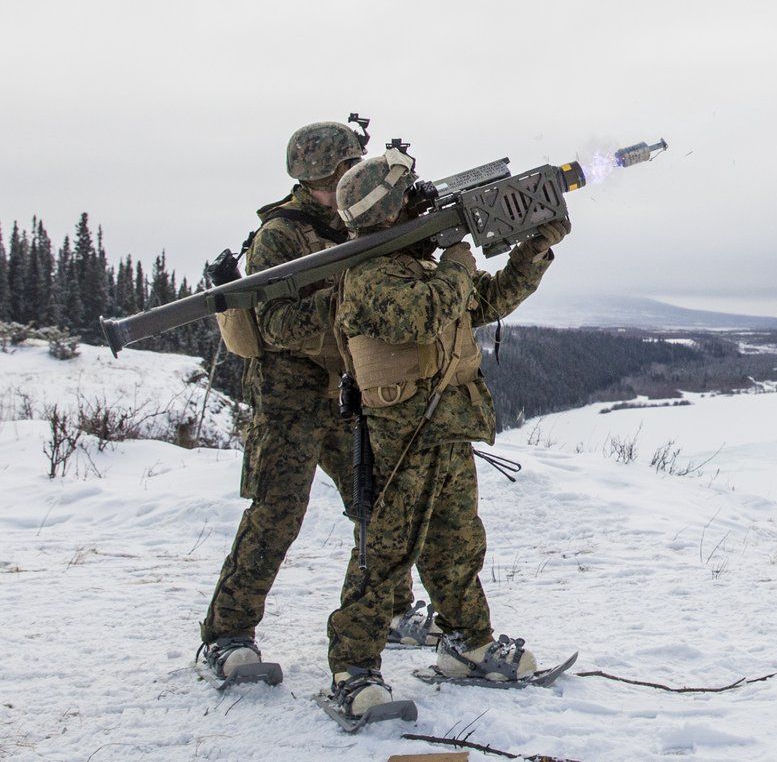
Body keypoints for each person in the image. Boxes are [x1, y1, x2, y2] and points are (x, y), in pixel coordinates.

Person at [323, 147, 568, 715]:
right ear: (388, 212)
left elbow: (487, 300)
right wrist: (460, 257)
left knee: (457, 543)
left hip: (446, 425)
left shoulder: (418, 268)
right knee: (385, 552)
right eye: (410, 197)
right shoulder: (370, 275)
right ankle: (353, 669)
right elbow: (422, 316)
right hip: (403, 435)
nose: (421, 203)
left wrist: (536, 248)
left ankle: (467, 644)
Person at [198, 121, 432, 681]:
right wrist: (352, 304)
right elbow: (277, 324)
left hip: (343, 386)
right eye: (337, 174)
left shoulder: (360, 216)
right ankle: (227, 633)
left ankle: (395, 611)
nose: (347, 180)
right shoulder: (282, 234)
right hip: (289, 392)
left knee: (373, 503)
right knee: (278, 511)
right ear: (311, 177)